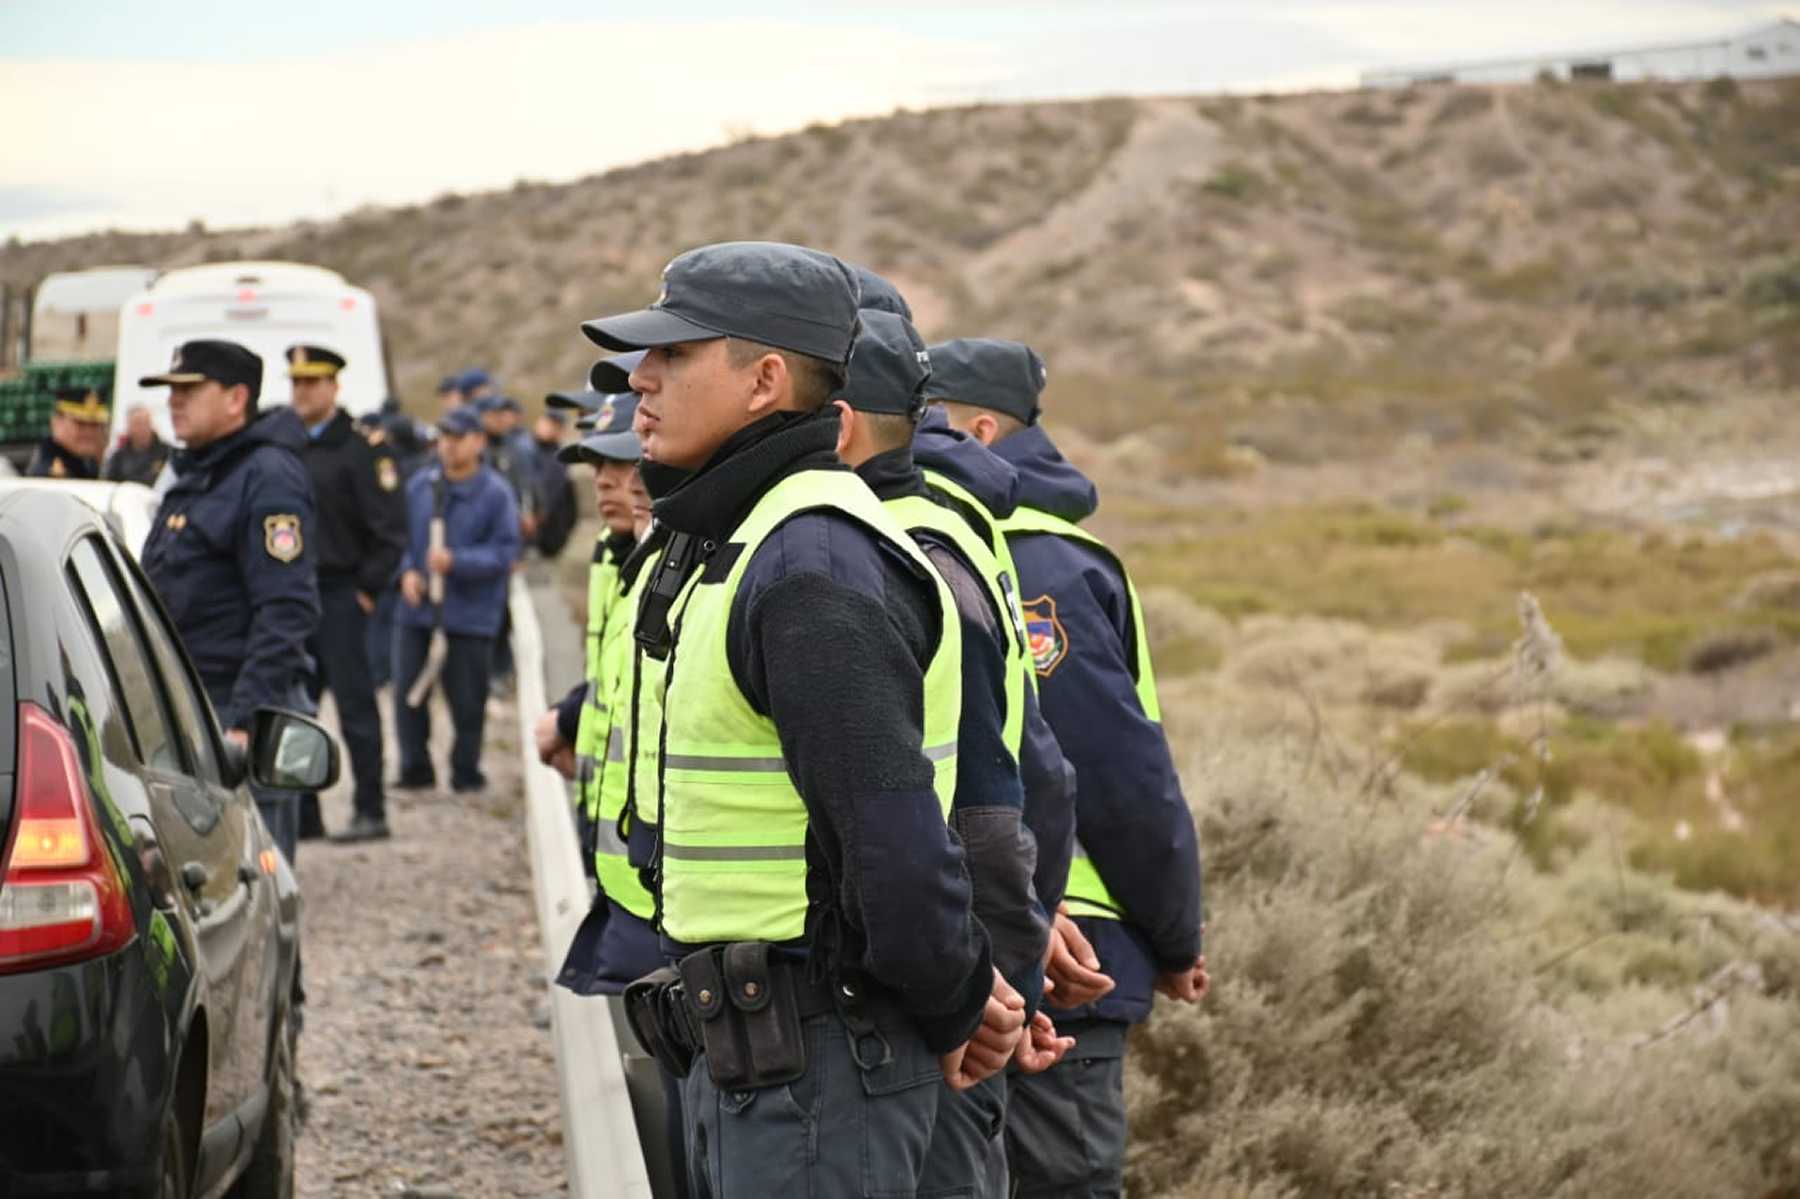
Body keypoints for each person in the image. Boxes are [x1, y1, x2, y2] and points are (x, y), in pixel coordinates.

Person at [584, 241, 1015, 1196]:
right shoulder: (748, 542)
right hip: (766, 1055)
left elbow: (896, 844)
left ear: (766, 379)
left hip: (821, 1067)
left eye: (676, 355)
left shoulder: (808, 563)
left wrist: (957, 1002)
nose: (640, 378)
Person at [930, 338, 1207, 1199]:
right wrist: (1175, 934)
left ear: (978, 428)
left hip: (1063, 956)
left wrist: (1170, 933)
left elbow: (1109, 775)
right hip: (1035, 945)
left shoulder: (1033, 559)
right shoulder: (1038, 552)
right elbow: (1128, 774)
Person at [835, 307, 1075, 1197]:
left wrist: (998, 994)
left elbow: (985, 804)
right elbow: (1030, 773)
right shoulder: (949, 524)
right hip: (958, 979)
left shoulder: (892, 549)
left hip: (922, 1010)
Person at [137, 339, 321, 865]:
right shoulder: (197, 474)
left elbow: (286, 609)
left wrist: (244, 721)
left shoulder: (267, 476)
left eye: (190, 390)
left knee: (253, 889)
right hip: (185, 706)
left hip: (234, 713)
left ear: (237, 398)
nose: (174, 401)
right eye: (171, 390)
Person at [287, 345, 407, 843]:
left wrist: (365, 590)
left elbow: (390, 530)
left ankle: (370, 809)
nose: (303, 392)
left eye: (312, 383)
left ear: (334, 387)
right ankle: (303, 814)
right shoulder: (285, 443)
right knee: (296, 710)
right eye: (296, 382)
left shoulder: (362, 447)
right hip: (294, 596)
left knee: (356, 708)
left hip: (341, 594)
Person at [393, 406, 521, 795]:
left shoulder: (496, 494)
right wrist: (408, 572)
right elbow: (401, 541)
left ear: (478, 441)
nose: (448, 446)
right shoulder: (420, 486)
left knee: (468, 701)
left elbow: (505, 552)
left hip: (470, 614)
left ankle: (465, 773)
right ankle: (415, 769)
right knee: (407, 695)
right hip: (418, 612)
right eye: (444, 437)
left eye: (458, 438)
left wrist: (457, 561)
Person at [27, 386, 110, 479]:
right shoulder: (51, 467)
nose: (89, 431)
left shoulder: (89, 461)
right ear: (56, 422)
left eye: (95, 424)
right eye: (80, 423)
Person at [529, 408, 578, 558]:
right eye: (548, 422)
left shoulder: (559, 459)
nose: (549, 428)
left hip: (547, 538)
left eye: (556, 425)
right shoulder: (524, 450)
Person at [103, 403, 172, 485]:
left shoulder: (167, 453)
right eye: (138, 424)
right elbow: (109, 485)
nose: (143, 428)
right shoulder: (118, 457)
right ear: (129, 427)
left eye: (146, 423)